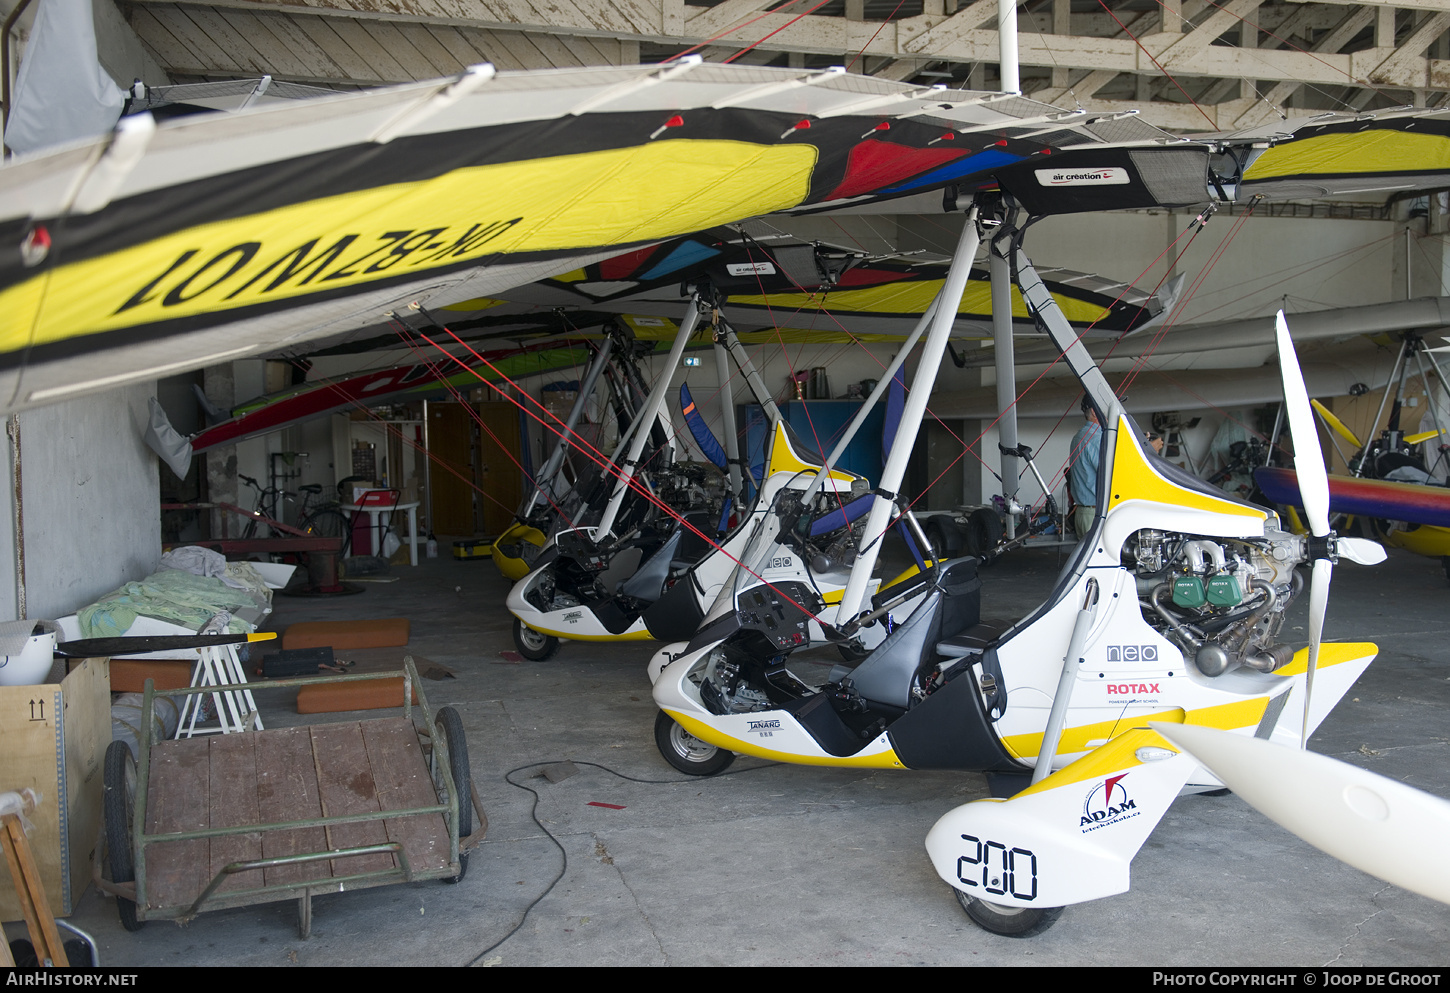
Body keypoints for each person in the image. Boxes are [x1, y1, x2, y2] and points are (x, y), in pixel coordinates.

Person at [1069, 395, 1101, 538]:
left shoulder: (1081, 436)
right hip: (1096, 515)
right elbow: (1115, 475)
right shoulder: (1096, 439)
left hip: (1085, 513)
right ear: (1094, 412)